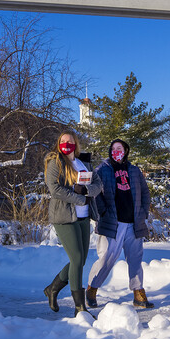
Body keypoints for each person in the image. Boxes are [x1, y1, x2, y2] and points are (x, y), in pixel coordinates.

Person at [86, 138, 154, 309]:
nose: (117, 151)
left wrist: (143, 212)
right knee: (106, 259)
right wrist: (103, 211)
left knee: (136, 259)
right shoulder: (102, 170)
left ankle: (138, 292)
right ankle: (91, 288)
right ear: (110, 151)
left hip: (133, 223)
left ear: (125, 151)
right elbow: (94, 193)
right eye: (114, 148)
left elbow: (145, 193)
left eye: (120, 148)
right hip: (112, 223)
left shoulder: (134, 170)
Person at [43, 131, 103, 316]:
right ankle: (80, 308)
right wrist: (79, 198)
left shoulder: (83, 163)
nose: (66, 144)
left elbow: (98, 185)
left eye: (70, 141)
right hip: (64, 216)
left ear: (75, 143)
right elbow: (55, 190)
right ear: (58, 143)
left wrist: (86, 189)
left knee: (81, 260)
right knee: (77, 258)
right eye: (62, 141)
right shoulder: (55, 162)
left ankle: (53, 288)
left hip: (83, 216)